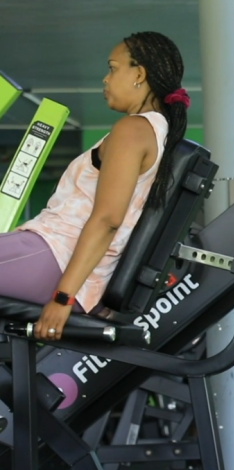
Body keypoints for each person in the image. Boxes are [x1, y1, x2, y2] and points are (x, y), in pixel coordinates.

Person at [0, 32, 187, 339]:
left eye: (113, 68)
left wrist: (64, 297)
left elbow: (108, 220)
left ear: (139, 74)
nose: (105, 78)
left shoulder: (133, 130)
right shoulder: (153, 132)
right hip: (55, 258)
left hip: (55, 257)